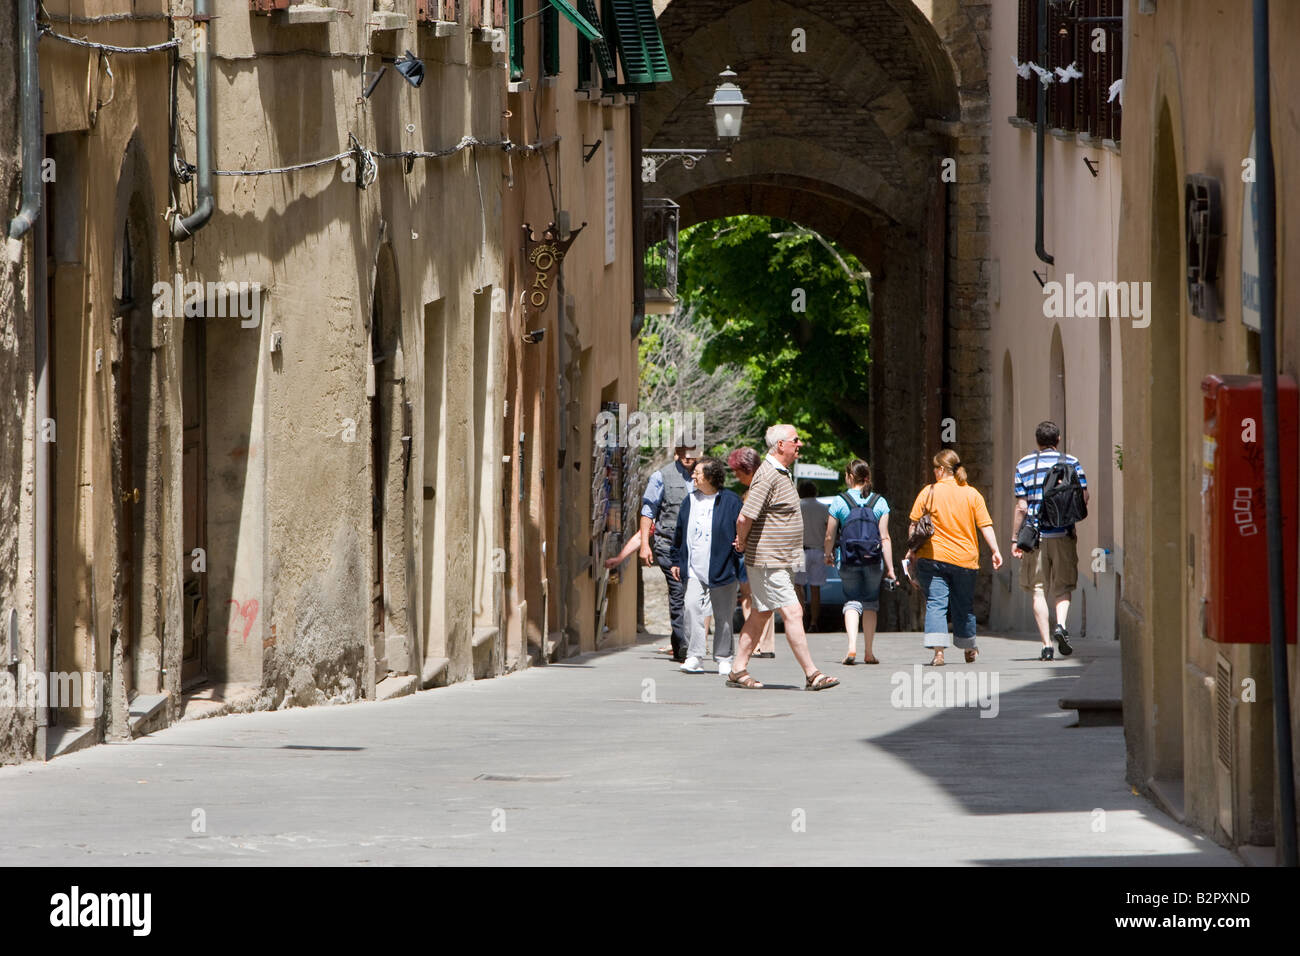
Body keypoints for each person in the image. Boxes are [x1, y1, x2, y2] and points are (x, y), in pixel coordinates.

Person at [726, 424, 840, 691]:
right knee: (793, 610)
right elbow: (745, 516)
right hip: (769, 560)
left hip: (779, 559)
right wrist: (741, 543)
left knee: (761, 614)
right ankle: (813, 674)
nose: (799, 444)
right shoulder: (768, 475)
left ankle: (737, 669)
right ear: (780, 445)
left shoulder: (780, 473)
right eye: (795, 440)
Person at [906, 449, 1003, 666]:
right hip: (965, 560)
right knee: (964, 604)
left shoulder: (928, 492)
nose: (933, 472)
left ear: (941, 470)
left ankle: (938, 652)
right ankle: (969, 647)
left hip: (932, 557)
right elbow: (985, 526)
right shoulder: (972, 494)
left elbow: (914, 525)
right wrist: (995, 550)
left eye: (934, 468)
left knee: (936, 603)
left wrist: (911, 552)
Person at [1010, 421, 1090, 661]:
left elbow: (1021, 507)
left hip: (1035, 537)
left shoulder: (1023, 464)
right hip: (1064, 533)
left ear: (1037, 441)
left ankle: (1046, 645)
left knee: (1037, 590)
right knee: (1063, 588)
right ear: (1058, 439)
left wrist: (1015, 538)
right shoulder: (1071, 462)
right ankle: (1062, 625)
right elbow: (1084, 496)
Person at [670, 458, 745, 676]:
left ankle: (724, 658)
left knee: (723, 615)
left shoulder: (731, 501)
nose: (693, 476)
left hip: (722, 566)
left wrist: (739, 548)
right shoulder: (690, 500)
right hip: (693, 567)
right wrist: (676, 560)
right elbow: (679, 532)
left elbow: (741, 531)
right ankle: (694, 656)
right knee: (691, 607)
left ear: (711, 477)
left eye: (697, 473)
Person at [824, 459, 896, 665]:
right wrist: (890, 568)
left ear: (849, 476)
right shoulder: (879, 502)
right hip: (873, 561)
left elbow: (830, 535)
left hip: (847, 559)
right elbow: (885, 538)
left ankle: (851, 647)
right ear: (867, 478)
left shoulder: (840, 501)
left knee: (852, 601)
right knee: (871, 603)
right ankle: (869, 652)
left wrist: (827, 555)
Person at [639, 442, 699, 662]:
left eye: (693, 453)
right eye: (683, 452)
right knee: (677, 592)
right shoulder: (661, 476)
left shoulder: (704, 474)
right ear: (676, 453)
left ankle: (680, 641)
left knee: (690, 594)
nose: (688, 457)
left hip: (696, 547)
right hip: (668, 546)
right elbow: (648, 510)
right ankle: (684, 645)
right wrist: (645, 544)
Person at [727, 446, 776, 659]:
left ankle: (755, 645)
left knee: (758, 599)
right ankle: (765, 644)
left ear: (748, 469)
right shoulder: (768, 481)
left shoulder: (759, 486)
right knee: (762, 599)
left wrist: (742, 539)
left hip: (759, 551)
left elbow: (744, 520)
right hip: (766, 551)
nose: (737, 477)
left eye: (739, 472)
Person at [793, 480, 830, 630]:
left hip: (800, 551)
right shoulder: (823, 508)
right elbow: (829, 530)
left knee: (797, 586)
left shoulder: (797, 507)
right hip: (818, 550)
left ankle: (801, 617)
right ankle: (814, 622)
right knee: (815, 588)